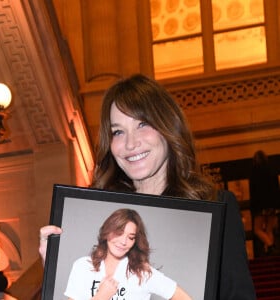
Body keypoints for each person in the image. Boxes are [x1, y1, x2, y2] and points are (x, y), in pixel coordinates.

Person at [39, 74, 256, 300]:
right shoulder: (98, 217)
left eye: (143, 124)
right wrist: (53, 271)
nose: (131, 143)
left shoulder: (214, 208)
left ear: (167, 127)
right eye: (118, 132)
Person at [64, 208, 192, 300]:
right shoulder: (83, 266)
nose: (123, 242)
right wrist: (101, 296)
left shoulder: (143, 273)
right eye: (119, 233)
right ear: (107, 232)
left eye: (131, 237)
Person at [249, 150, 280, 255]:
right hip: (272, 205)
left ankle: (271, 247)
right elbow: (277, 189)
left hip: (260, 206)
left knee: (257, 230)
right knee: (269, 230)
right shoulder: (272, 171)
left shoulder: (254, 173)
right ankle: (271, 251)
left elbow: (253, 192)